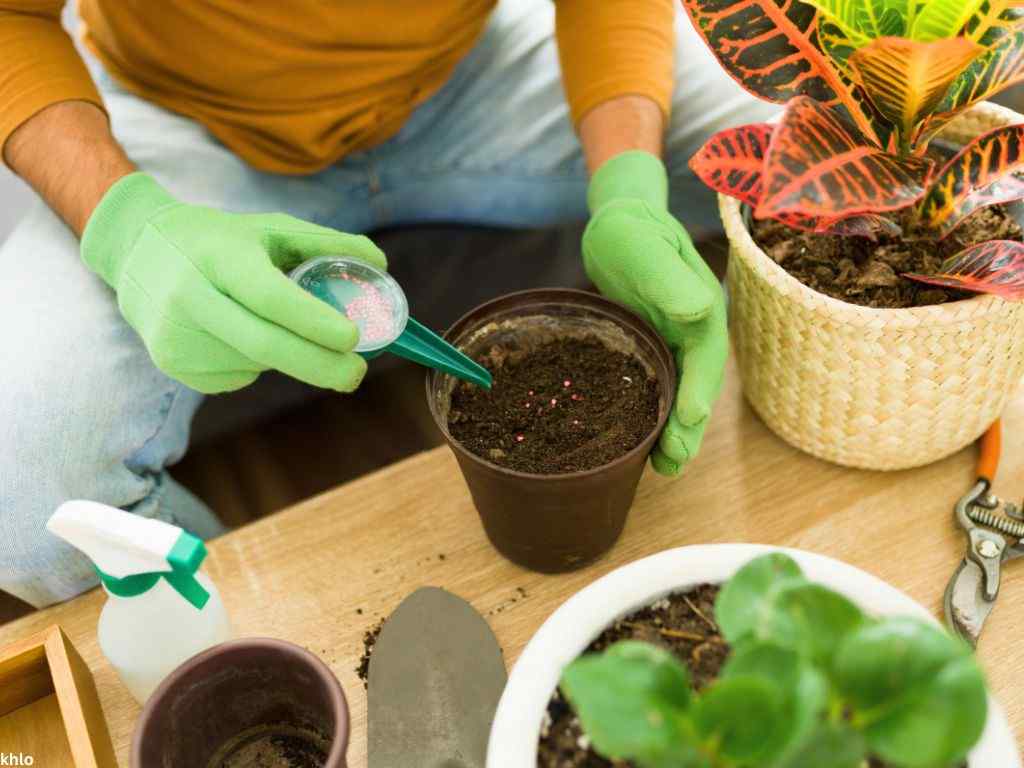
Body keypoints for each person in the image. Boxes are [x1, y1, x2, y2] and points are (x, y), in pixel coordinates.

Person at [0, 0, 773, 608]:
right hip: (176, 121)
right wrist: (131, 227)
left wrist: (628, 185)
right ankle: (255, 649)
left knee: (810, 152)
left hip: (466, 76)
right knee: (22, 494)